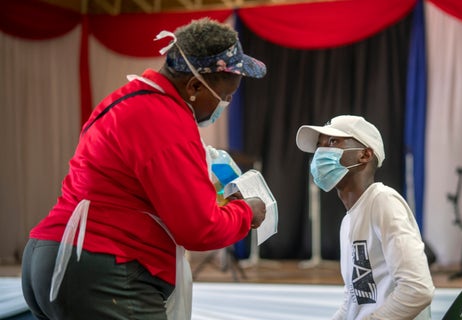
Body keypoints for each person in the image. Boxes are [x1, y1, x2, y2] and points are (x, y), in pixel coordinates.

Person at [21, 18, 267, 319]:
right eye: (225, 97)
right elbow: (200, 228)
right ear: (193, 85)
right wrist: (246, 212)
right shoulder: (166, 121)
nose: (224, 104)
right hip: (99, 267)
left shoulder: (127, 100)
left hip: (51, 256)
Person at [296, 115, 435, 320]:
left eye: (333, 142)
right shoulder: (349, 220)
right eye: (319, 145)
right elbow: (354, 301)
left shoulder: (382, 201)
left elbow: (417, 289)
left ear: (365, 155)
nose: (321, 152)